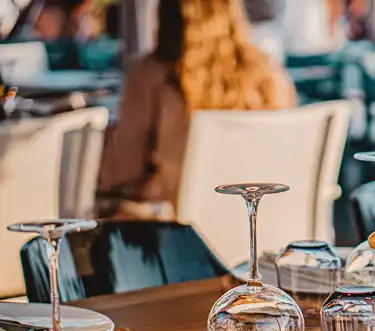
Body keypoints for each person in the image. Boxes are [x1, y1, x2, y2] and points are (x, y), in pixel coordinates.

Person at [99, 0, 296, 219]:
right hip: (263, 232)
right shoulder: (271, 77)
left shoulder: (153, 78)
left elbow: (120, 172)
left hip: (178, 242)